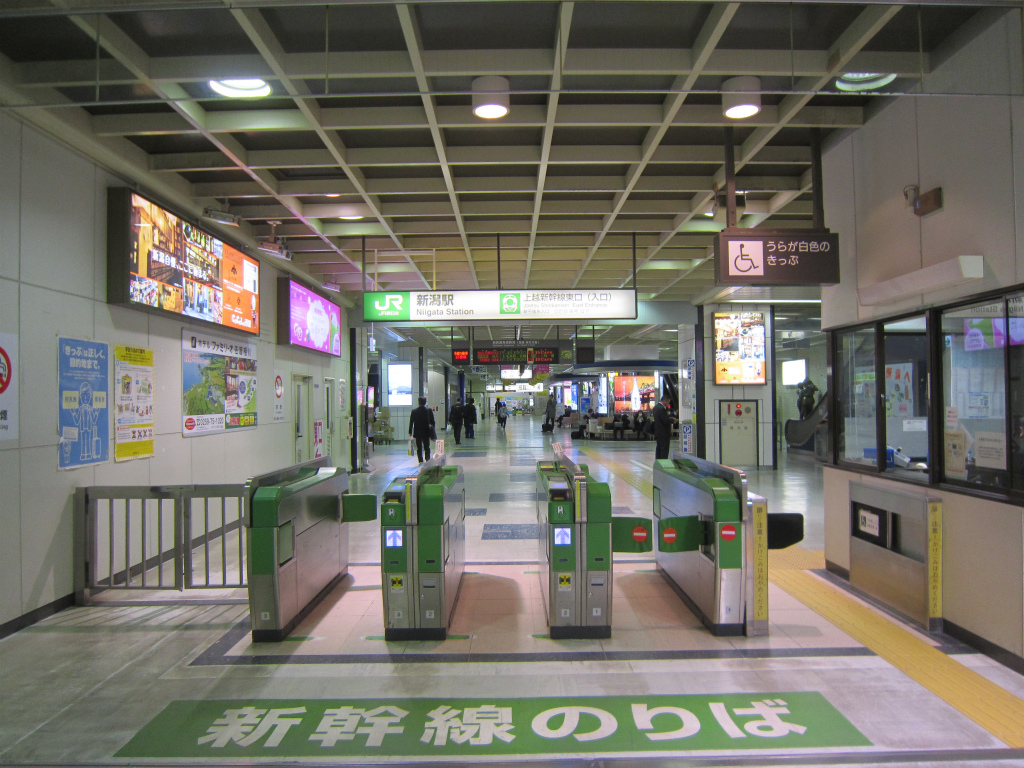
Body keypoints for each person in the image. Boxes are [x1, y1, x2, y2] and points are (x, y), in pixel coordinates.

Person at [408, 396, 435, 464]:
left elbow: (411, 422)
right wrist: (432, 429)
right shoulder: (429, 410)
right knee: (427, 446)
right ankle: (427, 459)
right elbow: (432, 421)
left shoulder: (414, 411)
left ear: (418, 402)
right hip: (426, 431)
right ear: (425, 402)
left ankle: (420, 460)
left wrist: (410, 431)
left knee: (419, 447)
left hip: (417, 432)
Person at [652, 393, 679, 460]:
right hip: (664, 433)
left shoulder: (656, 407)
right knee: (664, 448)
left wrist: (670, 418)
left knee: (659, 448)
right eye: (668, 402)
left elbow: (663, 418)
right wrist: (673, 420)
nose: (668, 404)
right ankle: (663, 462)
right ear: (665, 401)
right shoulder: (661, 409)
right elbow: (665, 420)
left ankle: (658, 462)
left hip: (658, 432)